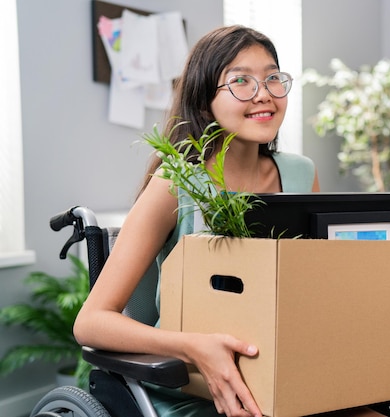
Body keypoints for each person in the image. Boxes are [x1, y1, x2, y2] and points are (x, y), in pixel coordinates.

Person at [73, 25, 320, 417]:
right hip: (192, 392)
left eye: (273, 77)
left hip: (284, 381)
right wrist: (193, 346)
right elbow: (90, 323)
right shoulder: (176, 183)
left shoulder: (300, 175)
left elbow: (313, 287)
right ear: (205, 101)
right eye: (241, 81)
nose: (264, 94)